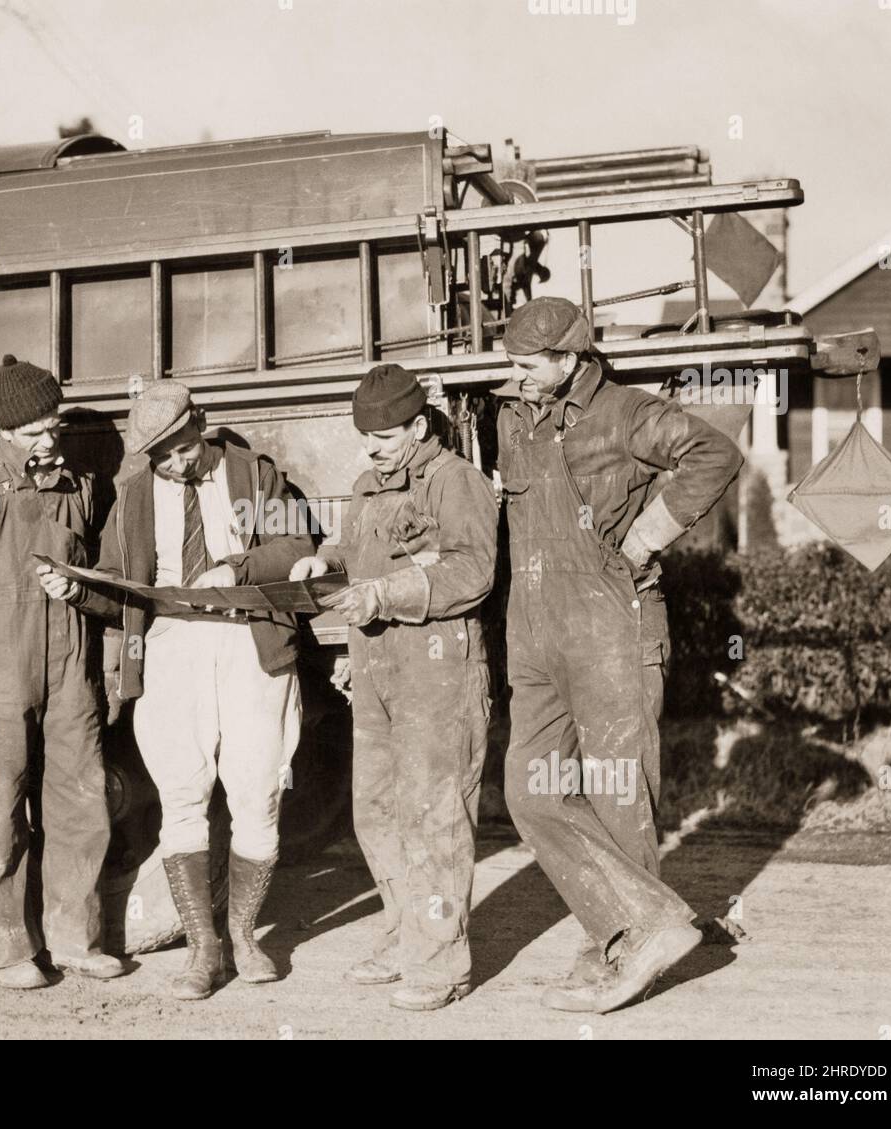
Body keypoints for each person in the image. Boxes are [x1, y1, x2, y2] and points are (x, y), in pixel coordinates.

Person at [494, 296, 743, 1013]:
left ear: (571, 358)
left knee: (615, 790)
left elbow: (715, 452)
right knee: (531, 789)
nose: (517, 377)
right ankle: (633, 927)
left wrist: (648, 535)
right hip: (536, 631)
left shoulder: (628, 412)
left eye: (528, 365)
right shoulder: (516, 418)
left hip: (613, 624)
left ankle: (623, 945)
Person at [41, 381, 310, 1001]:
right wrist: (80, 591)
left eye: (183, 449)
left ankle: (244, 936)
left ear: (202, 427)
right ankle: (204, 950)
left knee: (257, 791)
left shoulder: (252, 476)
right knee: (183, 797)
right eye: (160, 456)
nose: (175, 464)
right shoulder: (135, 496)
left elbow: (297, 545)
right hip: (170, 651)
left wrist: (238, 568)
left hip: (248, 643)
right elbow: (116, 585)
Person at [291, 363, 498, 1011]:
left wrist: (384, 593)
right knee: (375, 809)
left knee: (434, 813)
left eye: (383, 435)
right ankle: (405, 933)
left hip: (440, 668)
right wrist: (326, 560)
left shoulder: (455, 482)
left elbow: (474, 571)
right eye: (364, 436)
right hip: (378, 668)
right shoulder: (365, 486)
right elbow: (361, 554)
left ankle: (439, 962)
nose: (370, 447)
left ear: (417, 425)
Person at [0, 355, 124, 990]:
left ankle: (75, 938)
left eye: (53, 425)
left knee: (80, 804)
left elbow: (110, 580)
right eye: (33, 430)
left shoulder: (80, 485)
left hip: (70, 669)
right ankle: (6, 948)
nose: (48, 439)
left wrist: (102, 647)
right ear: (6, 430)